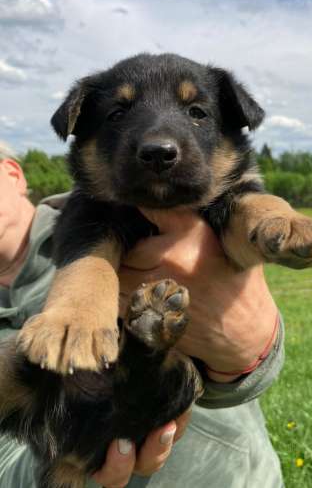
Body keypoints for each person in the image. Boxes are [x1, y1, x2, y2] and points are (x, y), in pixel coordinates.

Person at [0, 140, 285, 488]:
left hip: (225, 477)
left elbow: (242, 349)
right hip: (74, 443)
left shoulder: (114, 210)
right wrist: (73, 460)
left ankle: (145, 355)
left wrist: (252, 345)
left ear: (13, 174)